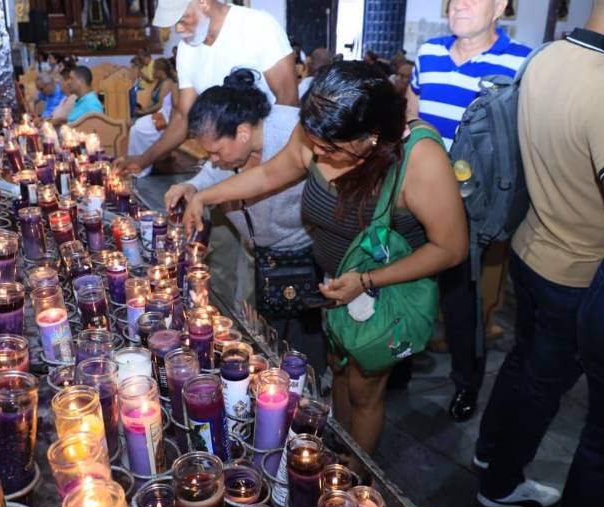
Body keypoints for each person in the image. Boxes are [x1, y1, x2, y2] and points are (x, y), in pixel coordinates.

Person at [181, 62, 468, 453]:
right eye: (313, 141)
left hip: (380, 291)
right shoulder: (321, 129)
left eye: (331, 150)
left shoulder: (420, 159)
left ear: (372, 138)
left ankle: (356, 474)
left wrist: (366, 282)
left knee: (366, 389)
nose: (316, 152)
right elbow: (268, 176)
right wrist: (203, 195)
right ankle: (338, 448)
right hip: (335, 284)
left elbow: (450, 249)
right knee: (339, 373)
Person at [475, 0, 604, 507]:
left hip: (532, 244)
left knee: (524, 363)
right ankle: (501, 482)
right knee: (545, 384)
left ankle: (486, 452)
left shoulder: (547, 56)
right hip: (577, 268)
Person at [408, 0, 531, 422]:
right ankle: (400, 365)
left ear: (500, 6)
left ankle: (466, 385)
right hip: (420, 198)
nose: (458, 3)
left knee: (463, 304)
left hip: (472, 208)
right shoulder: (429, 54)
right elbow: (412, 118)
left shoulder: (521, 63)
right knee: (409, 287)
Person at [163, 68, 324, 373]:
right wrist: (193, 186)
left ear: (243, 132)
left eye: (217, 150)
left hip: (300, 255)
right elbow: (217, 170)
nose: (214, 158)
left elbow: (266, 178)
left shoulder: (293, 132)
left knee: (303, 342)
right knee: (258, 332)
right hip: (257, 253)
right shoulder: (232, 149)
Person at [117, 0, 299, 175]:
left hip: (270, 155)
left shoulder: (257, 26)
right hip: (223, 159)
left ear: (203, 2)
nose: (178, 29)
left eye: (182, 20)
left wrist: (264, 164)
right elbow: (182, 116)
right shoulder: (187, 50)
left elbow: (288, 102)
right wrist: (143, 160)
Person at [128, 59, 180, 176]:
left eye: (154, 70)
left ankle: (141, 166)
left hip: (166, 118)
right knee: (135, 127)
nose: (153, 72)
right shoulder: (161, 82)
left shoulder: (169, 84)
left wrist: (144, 112)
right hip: (162, 114)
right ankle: (138, 160)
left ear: (160, 71)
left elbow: (168, 105)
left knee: (136, 129)